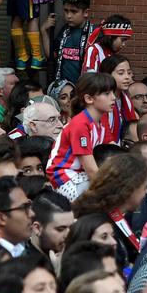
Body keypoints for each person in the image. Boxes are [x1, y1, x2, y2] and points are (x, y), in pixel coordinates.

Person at [46, 72, 116, 200]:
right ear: (89, 99)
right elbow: (91, 169)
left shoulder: (102, 118)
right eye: (107, 94)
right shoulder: (80, 124)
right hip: (64, 176)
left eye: (112, 92)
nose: (113, 97)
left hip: (81, 173)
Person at [43, 0, 93, 86]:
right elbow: (51, 56)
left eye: (74, 12)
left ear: (86, 12)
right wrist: (44, 31)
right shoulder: (64, 31)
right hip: (63, 90)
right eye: (66, 11)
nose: (68, 16)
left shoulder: (93, 34)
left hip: (84, 88)